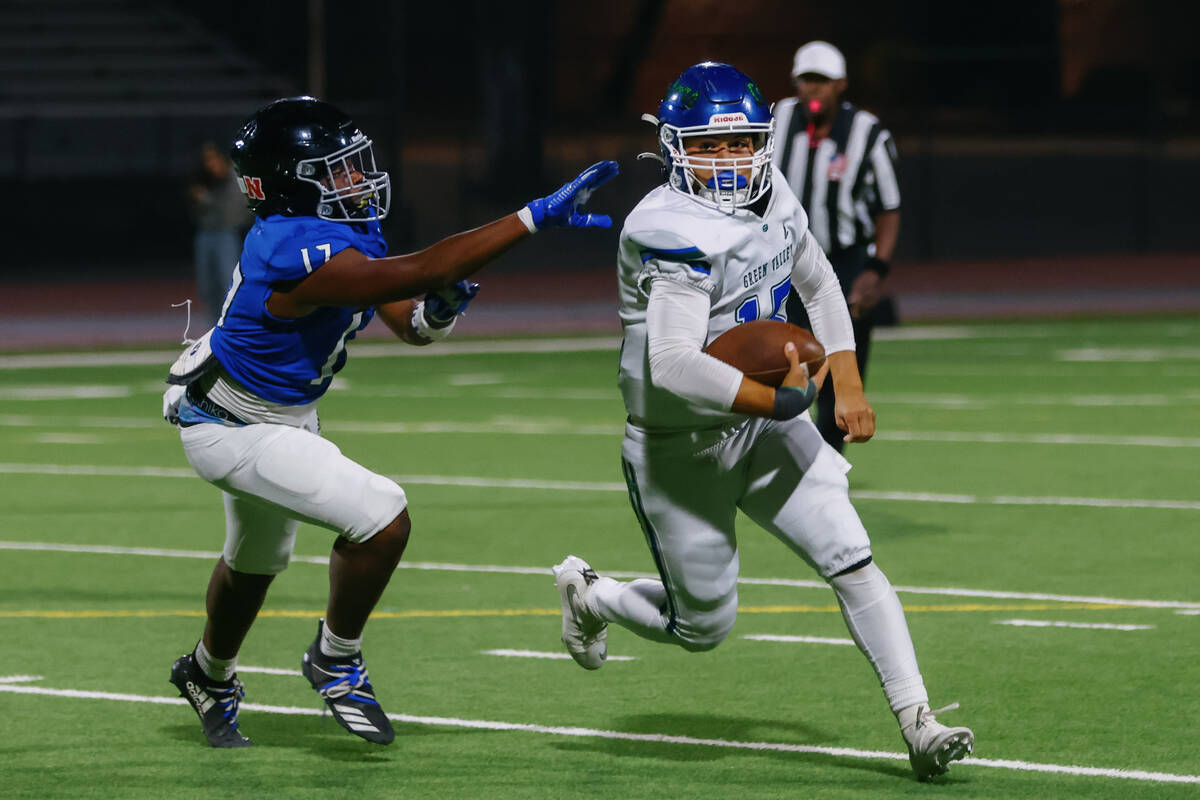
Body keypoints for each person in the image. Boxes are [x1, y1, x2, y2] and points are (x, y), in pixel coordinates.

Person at [550, 63, 972, 782]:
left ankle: (919, 721)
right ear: (674, 146)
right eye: (710, 148)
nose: (729, 160)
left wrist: (847, 382)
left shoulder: (773, 193)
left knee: (853, 556)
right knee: (703, 628)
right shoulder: (664, 227)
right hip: (680, 442)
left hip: (767, 422)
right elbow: (677, 363)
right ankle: (594, 595)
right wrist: (777, 399)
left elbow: (818, 280)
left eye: (741, 142)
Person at [162, 96, 617, 748]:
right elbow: (419, 270)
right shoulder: (288, 244)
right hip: (233, 424)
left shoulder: (333, 233)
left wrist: (436, 314)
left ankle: (208, 673)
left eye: (354, 165)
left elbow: (406, 315)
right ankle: (336, 658)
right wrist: (531, 218)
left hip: (277, 413)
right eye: (336, 170)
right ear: (291, 182)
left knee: (256, 561)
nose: (357, 179)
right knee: (382, 518)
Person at [772, 41, 901, 453]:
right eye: (806, 80)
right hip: (783, 264)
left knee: (839, 380)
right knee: (778, 369)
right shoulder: (776, 120)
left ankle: (827, 472)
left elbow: (888, 207)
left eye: (822, 81)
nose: (813, 89)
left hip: (844, 264)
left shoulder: (868, 133)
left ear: (841, 84)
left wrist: (876, 269)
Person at [187, 142, 250, 324]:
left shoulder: (234, 177)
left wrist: (206, 199)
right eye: (207, 160)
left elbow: (232, 212)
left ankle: (234, 327)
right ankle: (214, 329)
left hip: (228, 234)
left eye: (213, 158)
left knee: (228, 284)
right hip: (205, 234)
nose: (211, 164)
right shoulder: (202, 177)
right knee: (208, 287)